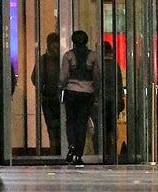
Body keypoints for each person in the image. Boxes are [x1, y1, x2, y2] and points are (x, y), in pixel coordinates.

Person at [59, 30, 101, 168]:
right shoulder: (93, 56)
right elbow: (96, 76)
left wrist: (60, 87)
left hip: (71, 92)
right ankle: (78, 153)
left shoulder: (69, 55)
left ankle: (71, 145)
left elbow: (64, 75)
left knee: (70, 121)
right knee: (82, 123)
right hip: (87, 92)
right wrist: (96, 91)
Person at [31, 32, 62, 154]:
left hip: (56, 97)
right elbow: (35, 78)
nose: (56, 48)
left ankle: (58, 150)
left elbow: (35, 78)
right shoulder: (44, 60)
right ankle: (56, 151)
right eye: (54, 45)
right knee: (53, 128)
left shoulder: (47, 60)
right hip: (49, 99)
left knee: (57, 127)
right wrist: (44, 88)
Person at [99, 40, 125, 162]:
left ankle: (102, 153)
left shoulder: (98, 65)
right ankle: (111, 154)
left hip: (101, 102)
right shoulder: (115, 65)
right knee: (111, 130)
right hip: (113, 101)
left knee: (101, 129)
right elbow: (119, 85)